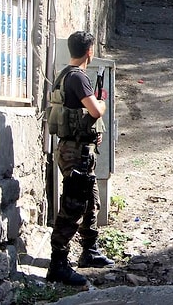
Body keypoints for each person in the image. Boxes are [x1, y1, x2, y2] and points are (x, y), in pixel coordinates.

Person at [46, 31, 114, 285]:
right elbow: (95, 110)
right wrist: (102, 102)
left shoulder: (63, 75)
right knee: (73, 206)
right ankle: (58, 264)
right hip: (76, 153)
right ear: (89, 52)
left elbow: (75, 115)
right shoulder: (78, 78)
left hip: (76, 149)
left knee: (90, 202)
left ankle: (89, 250)